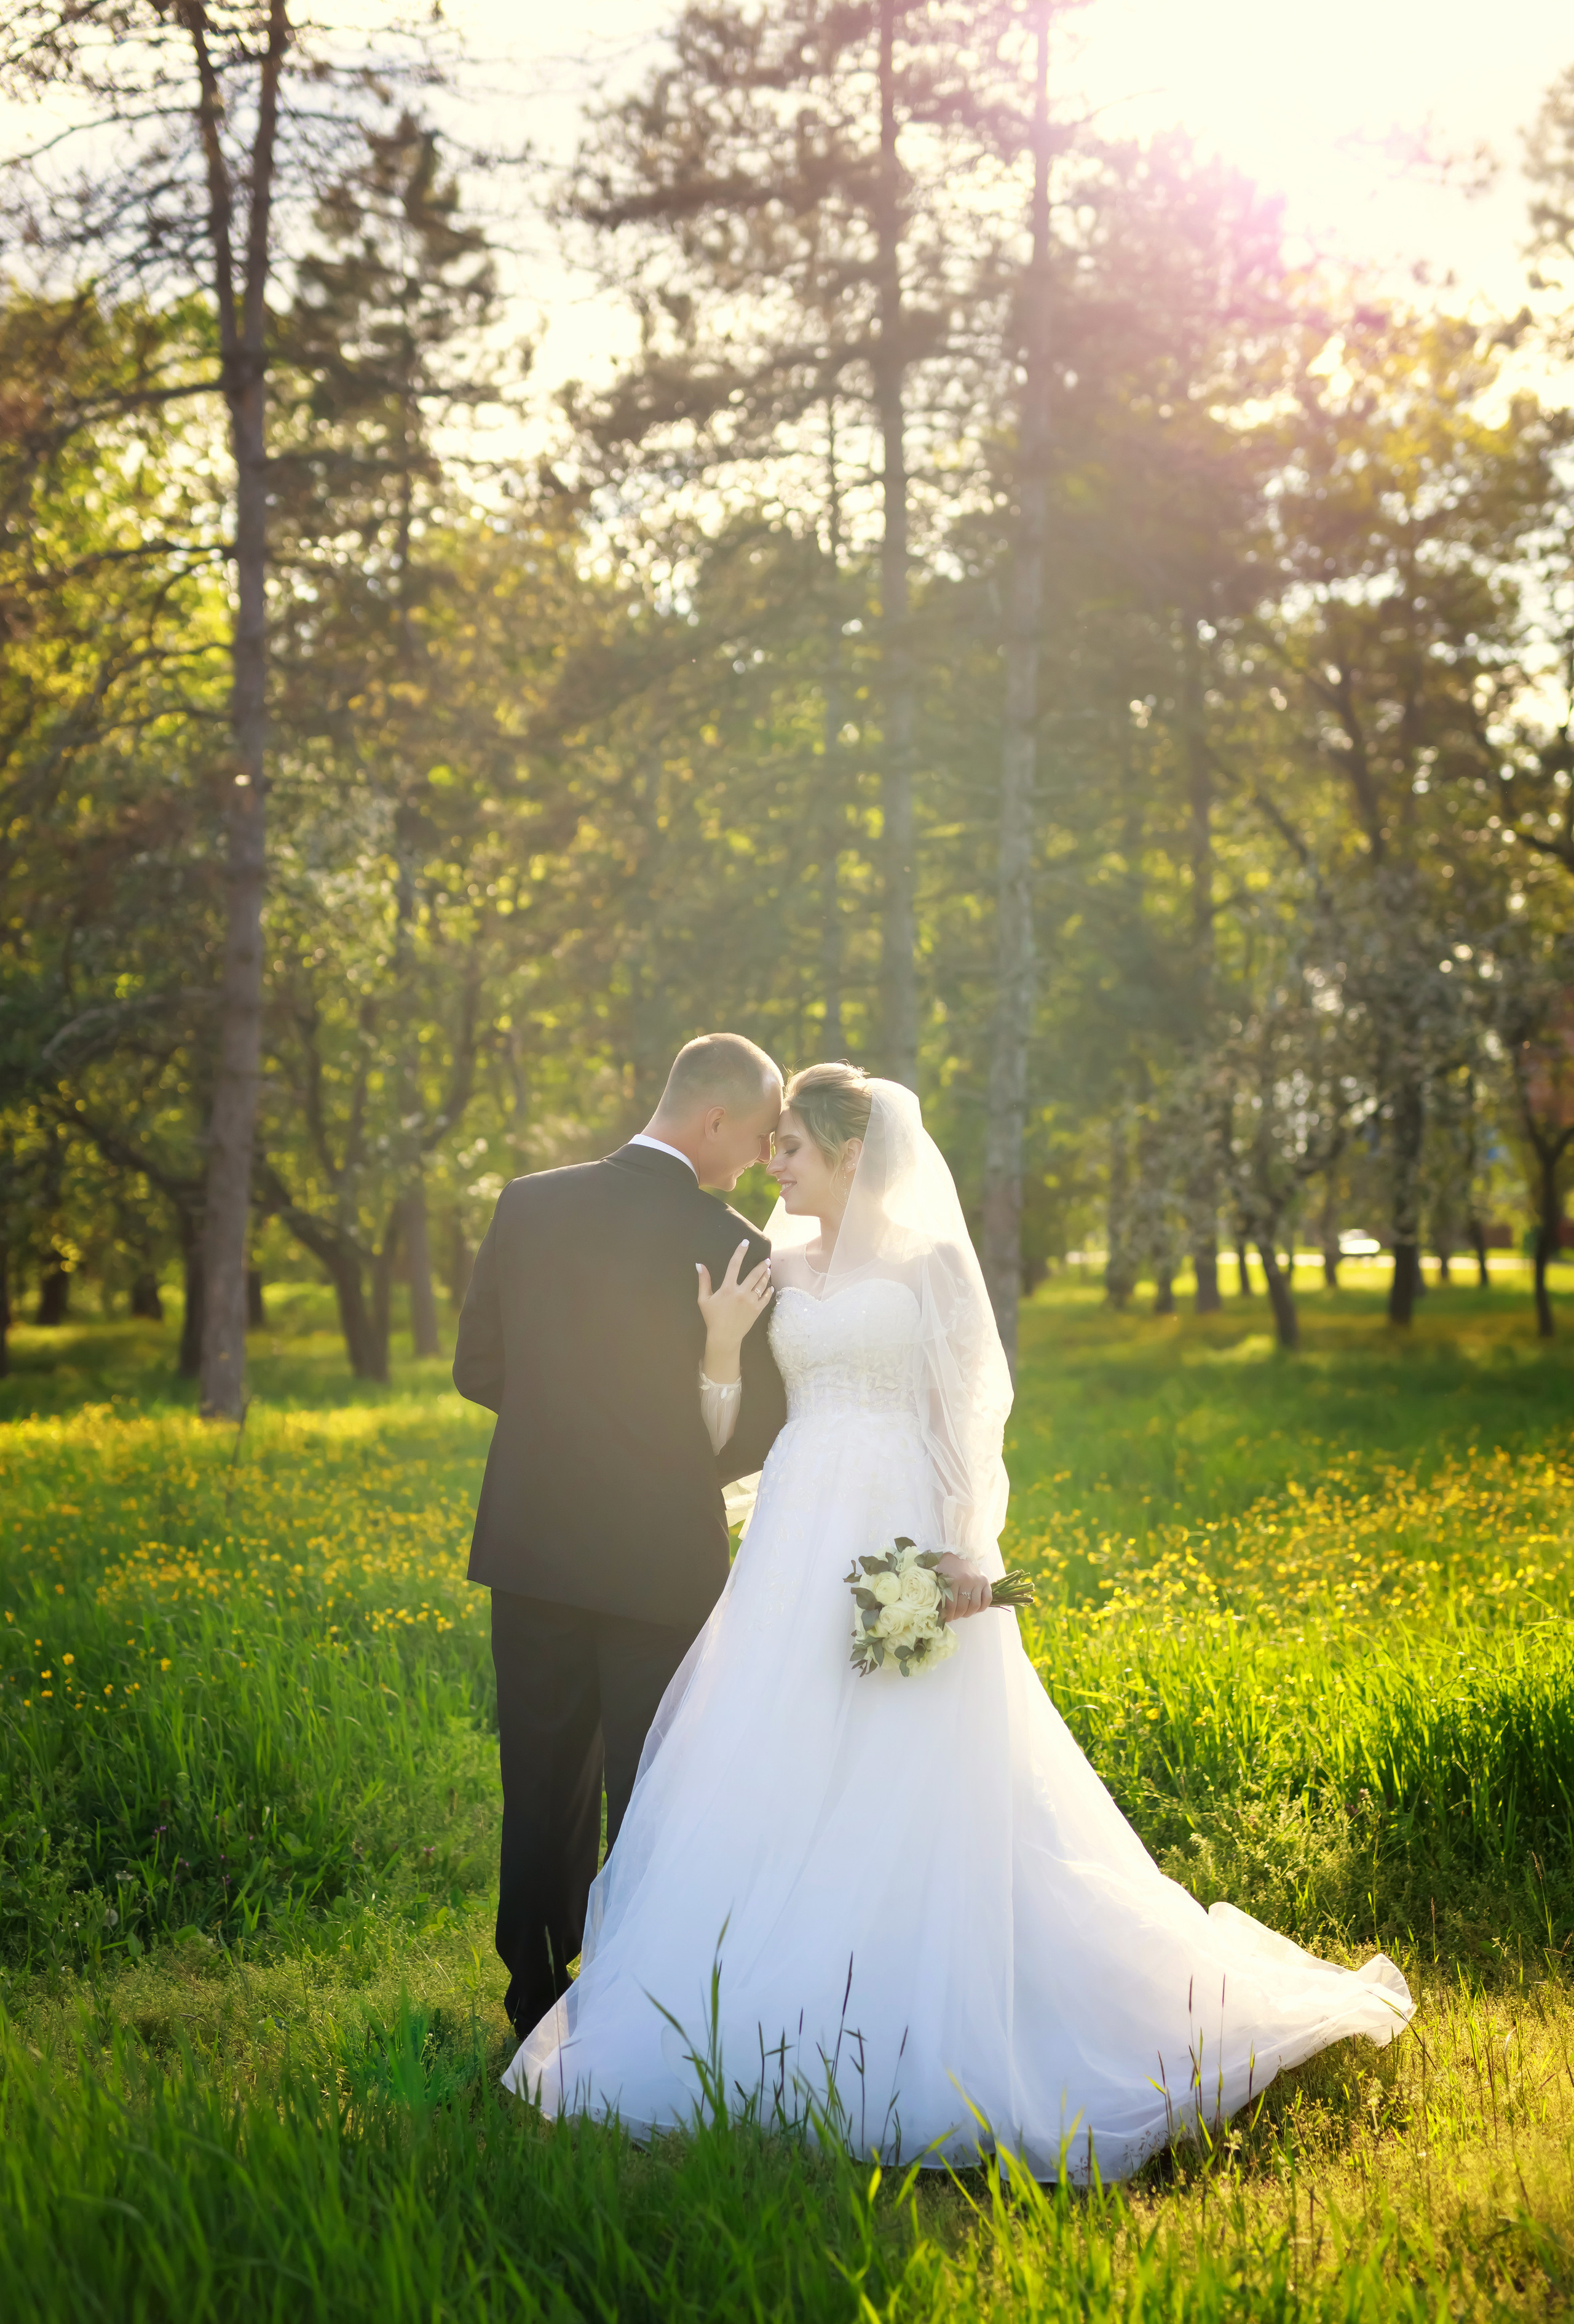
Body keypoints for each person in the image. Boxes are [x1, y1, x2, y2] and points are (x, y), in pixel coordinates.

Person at [503, 1064, 1413, 2181]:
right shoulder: (776, 1267)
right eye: (771, 1144)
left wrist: (961, 1555)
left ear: (850, 1154)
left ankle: (931, 1990)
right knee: (773, 1757)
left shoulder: (932, 1266)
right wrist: (723, 1345)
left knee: (913, 1756)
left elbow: (968, 1419)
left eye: (790, 1147)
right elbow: (719, 1435)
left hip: (896, 1535)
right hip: (792, 1536)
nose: (772, 1165)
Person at [453, 1032, 788, 2042]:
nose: (762, 1157)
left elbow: (478, 1368)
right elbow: (760, 1427)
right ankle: (642, 1995)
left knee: (544, 1776)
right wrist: (662, 1460)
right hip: (660, 1555)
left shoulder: (530, 1201)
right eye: (761, 1134)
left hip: (537, 1541)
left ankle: (534, 1998)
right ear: (716, 1120)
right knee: (656, 1779)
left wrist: (564, 1431)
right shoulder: (741, 1248)